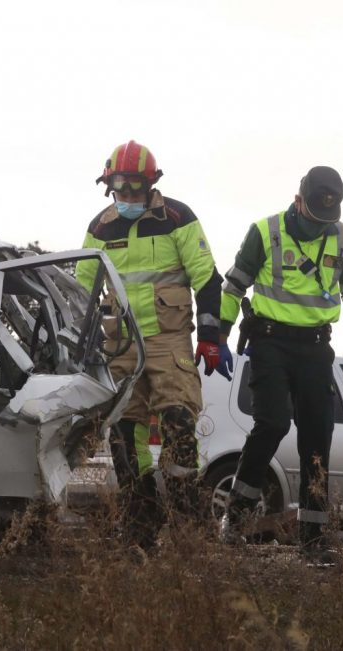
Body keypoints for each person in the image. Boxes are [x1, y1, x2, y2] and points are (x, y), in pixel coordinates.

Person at [218, 165, 343, 565]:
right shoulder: (265, 231)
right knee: (272, 423)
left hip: (316, 346)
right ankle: (234, 518)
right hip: (270, 341)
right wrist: (217, 335)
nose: (320, 225)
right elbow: (234, 285)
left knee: (317, 436)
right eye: (314, 215)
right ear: (298, 200)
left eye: (328, 218)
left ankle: (313, 539)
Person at [75, 140, 229, 540]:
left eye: (134, 189)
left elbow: (208, 280)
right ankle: (142, 517)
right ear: (109, 185)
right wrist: (78, 346)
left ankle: (185, 512)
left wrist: (211, 335)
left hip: (168, 339)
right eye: (119, 189)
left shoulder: (178, 219)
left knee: (179, 421)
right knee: (125, 434)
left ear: (150, 184)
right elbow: (81, 293)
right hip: (121, 345)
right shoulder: (100, 229)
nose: (127, 197)